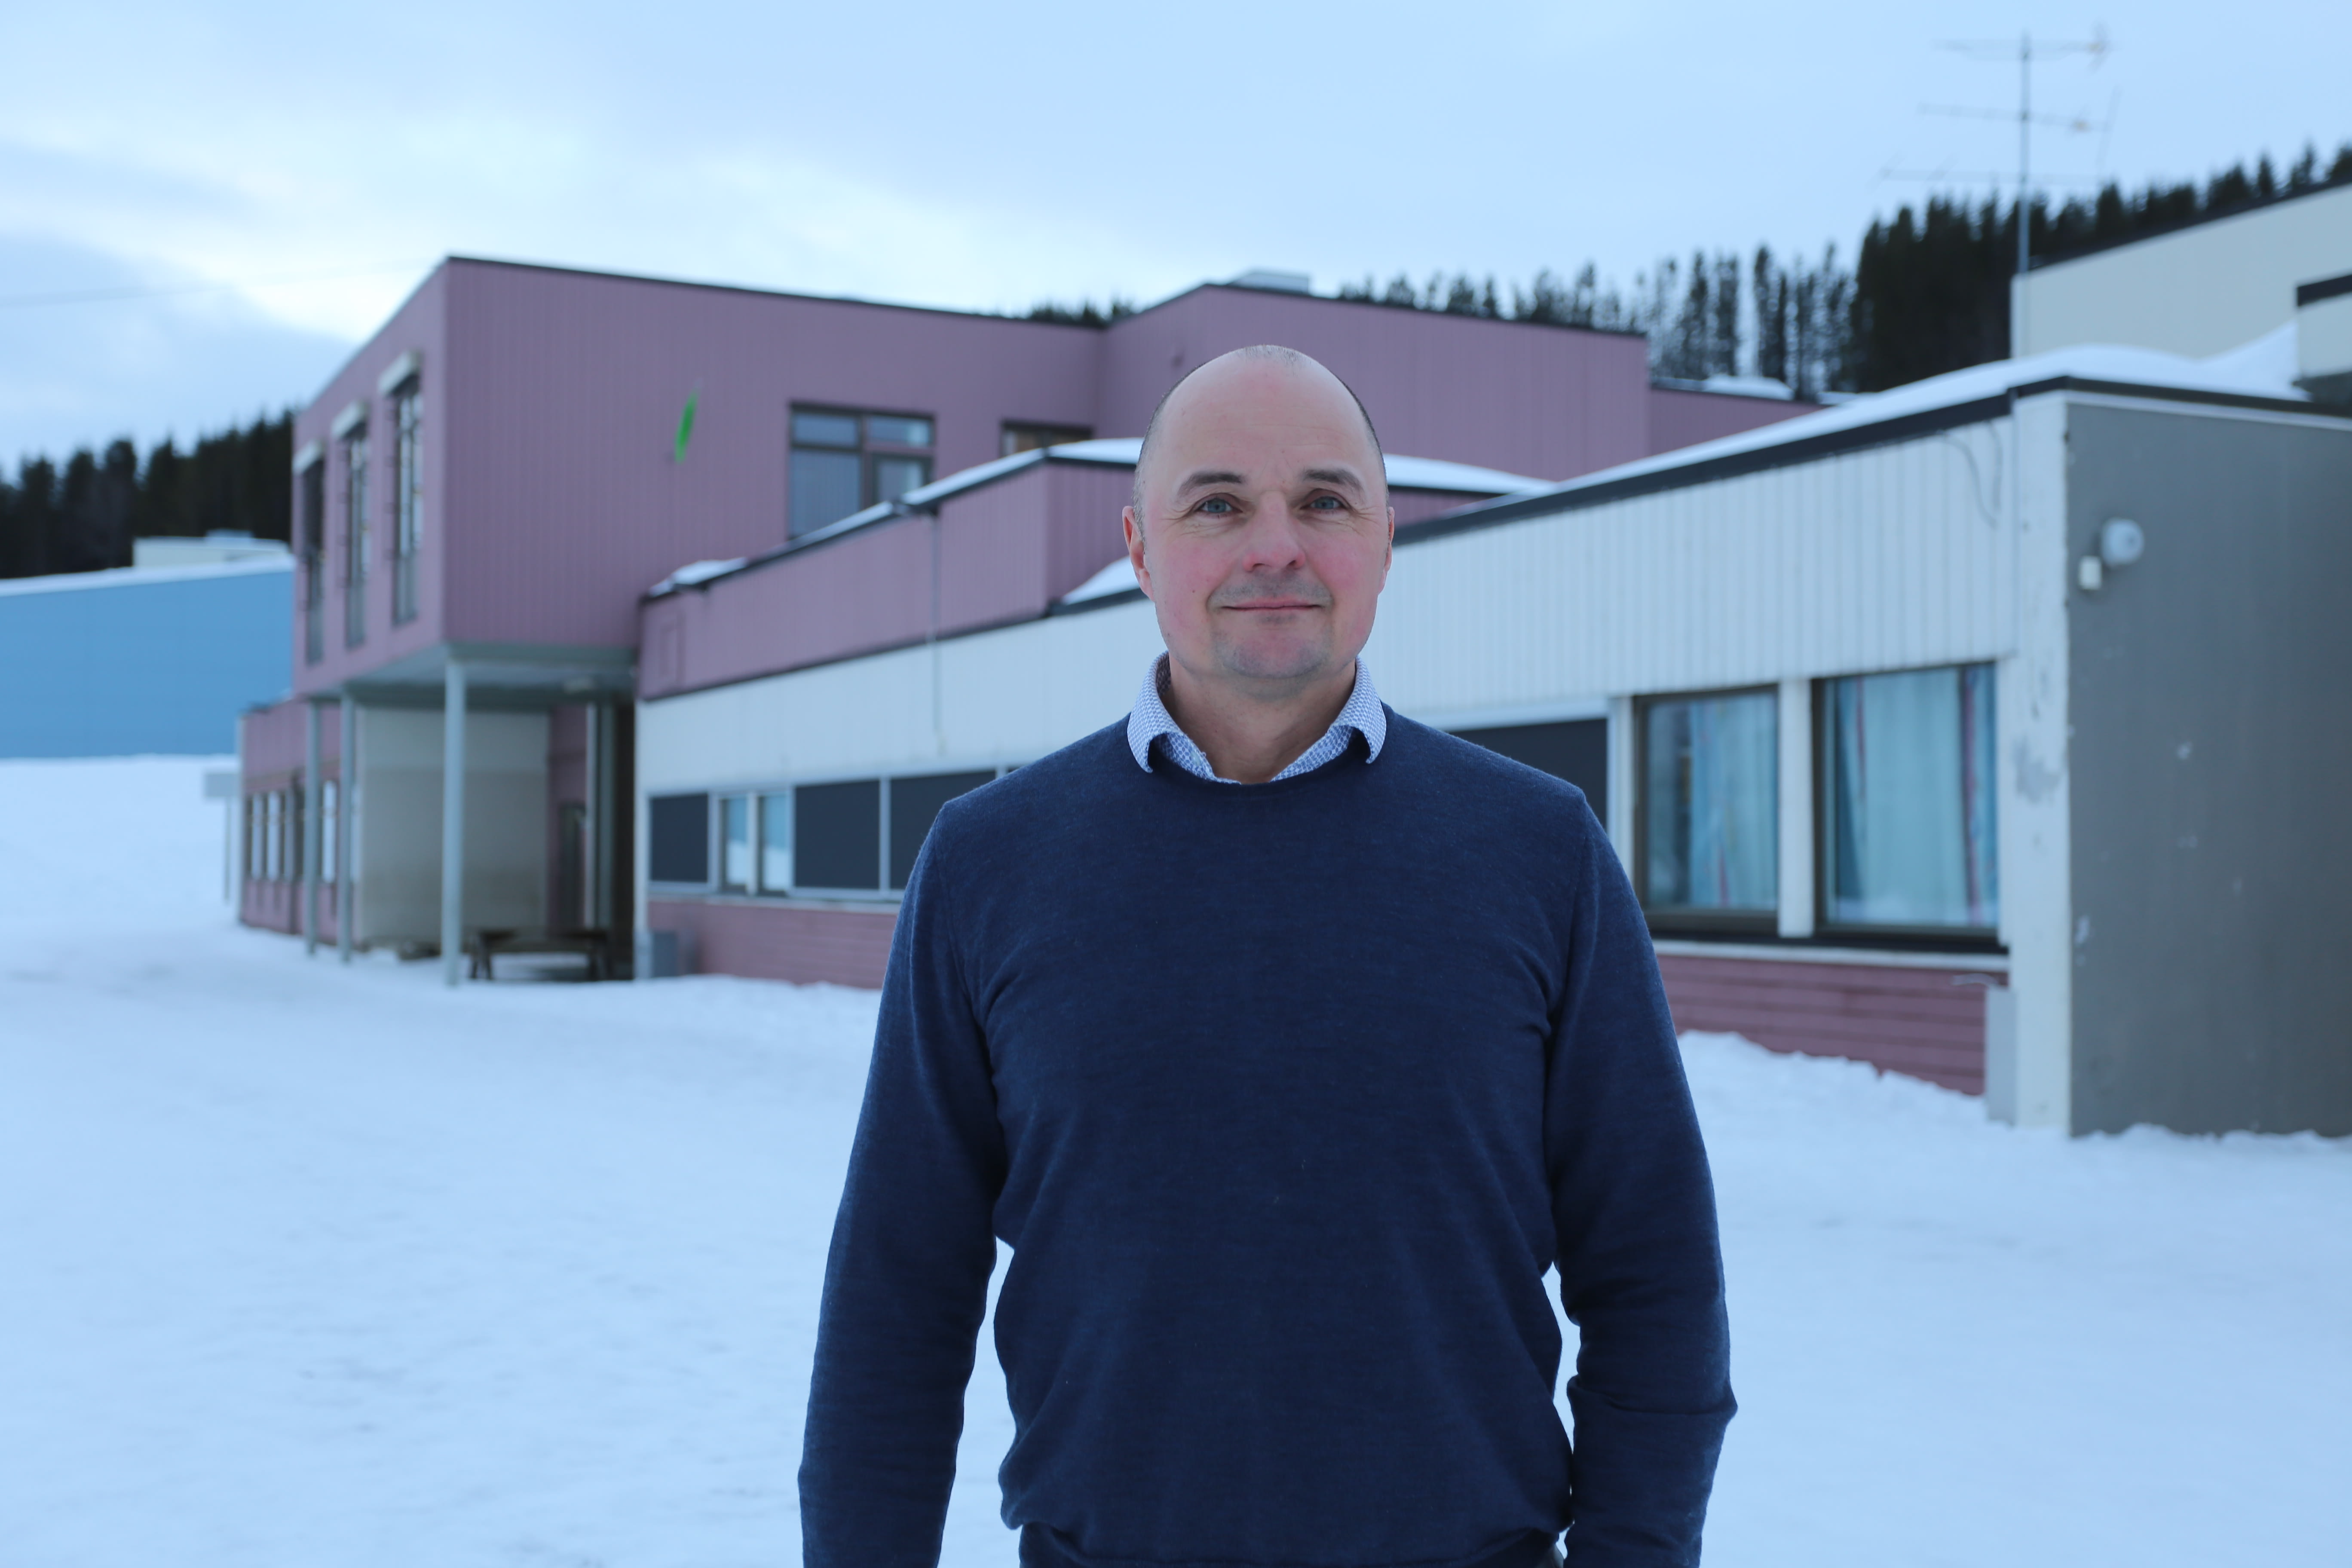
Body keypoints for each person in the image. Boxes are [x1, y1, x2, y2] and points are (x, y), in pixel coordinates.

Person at [800, 346, 1733, 1568]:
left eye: (1325, 500)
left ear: (1387, 540)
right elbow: (896, 1299)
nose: (1275, 547)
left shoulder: (1540, 852)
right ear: (1141, 548)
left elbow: (1655, 1278)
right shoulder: (989, 863)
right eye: (1219, 504)